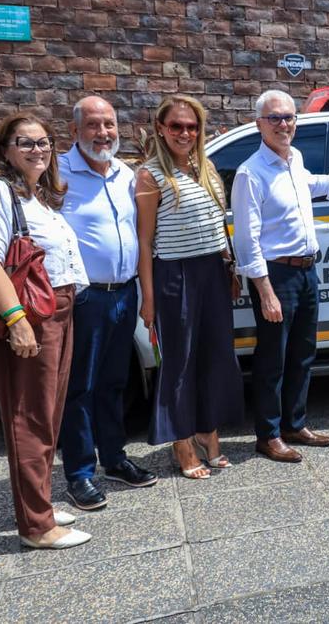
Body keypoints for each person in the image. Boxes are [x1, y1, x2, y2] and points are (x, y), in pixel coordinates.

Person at [231, 90, 329, 462]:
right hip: (276, 276)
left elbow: (312, 184)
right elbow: (246, 240)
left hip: (308, 271)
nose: (283, 124)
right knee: (272, 360)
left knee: (302, 354)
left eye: (289, 117)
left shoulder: (294, 159)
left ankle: (295, 424)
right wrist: (265, 291)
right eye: (274, 118)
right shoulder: (250, 173)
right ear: (259, 124)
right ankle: (268, 435)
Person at [0, 113, 92, 549]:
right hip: (32, 314)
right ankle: (37, 526)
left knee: (49, 414)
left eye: (43, 142)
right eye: (25, 143)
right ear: (5, 150)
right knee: (29, 417)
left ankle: (37, 503)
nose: (37, 150)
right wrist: (17, 321)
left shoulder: (38, 196)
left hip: (60, 308)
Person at [136, 95, 244, 478]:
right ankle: (182, 441)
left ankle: (207, 430)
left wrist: (229, 267)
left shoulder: (206, 168)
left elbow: (217, 225)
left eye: (192, 126)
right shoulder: (150, 176)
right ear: (161, 129)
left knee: (215, 356)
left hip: (213, 272)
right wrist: (148, 299)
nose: (185, 133)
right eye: (176, 126)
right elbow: (145, 242)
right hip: (175, 275)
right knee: (179, 363)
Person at [58, 96, 157, 511]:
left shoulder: (125, 174)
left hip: (124, 293)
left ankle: (114, 458)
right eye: (93, 125)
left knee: (115, 382)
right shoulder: (57, 173)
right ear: (75, 131)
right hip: (85, 297)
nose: (103, 133)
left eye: (110, 124)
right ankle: (79, 473)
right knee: (79, 387)